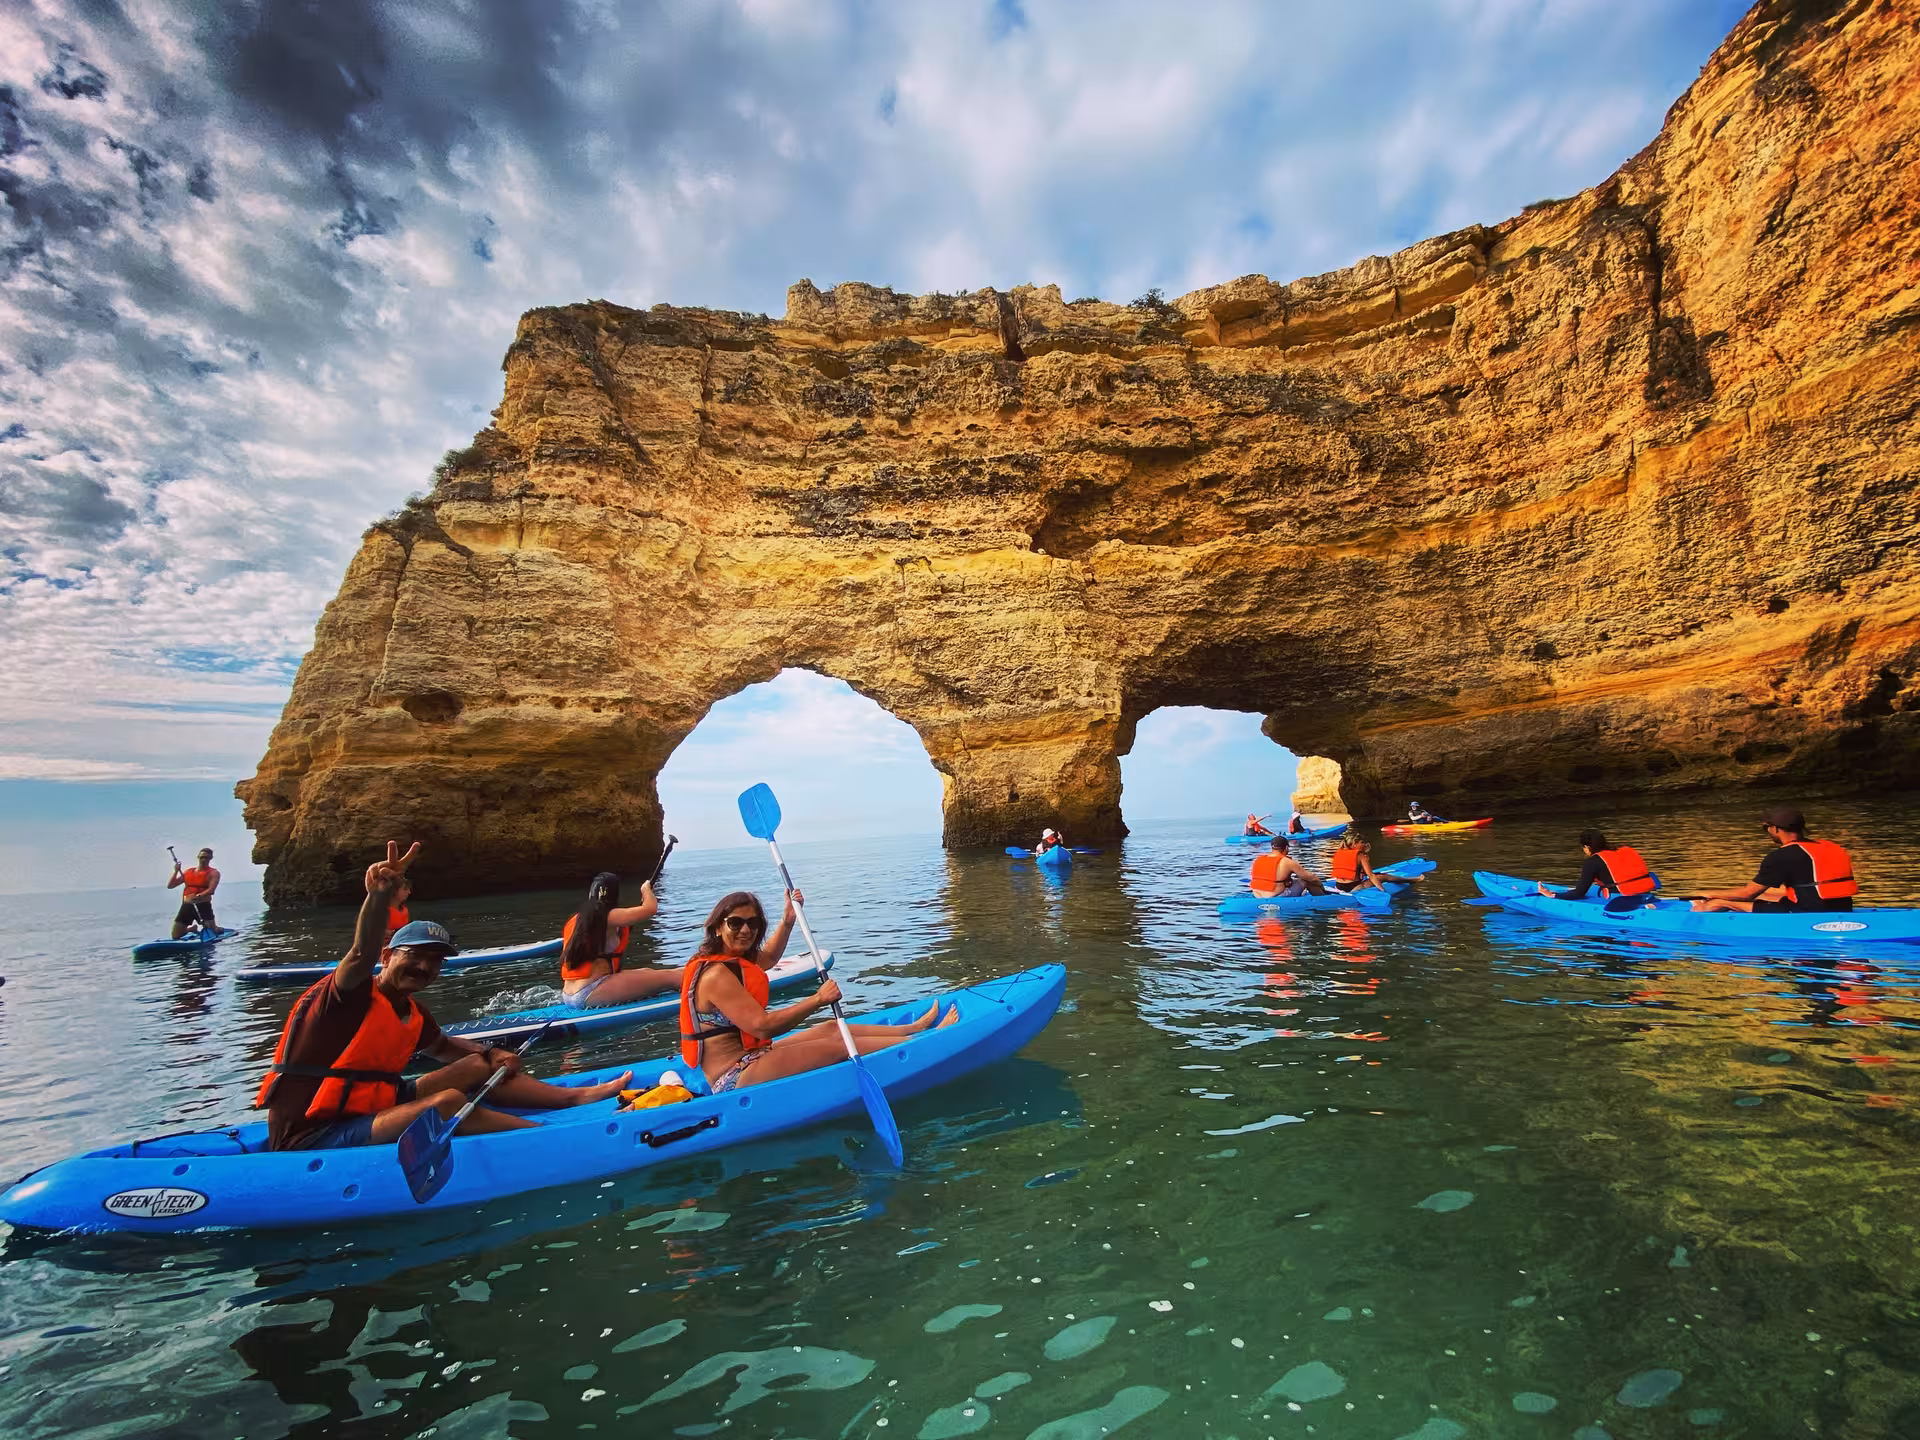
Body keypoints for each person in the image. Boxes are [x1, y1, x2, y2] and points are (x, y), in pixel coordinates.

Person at [255, 841, 630, 1152]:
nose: (424, 968)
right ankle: (539, 1135)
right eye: (414, 956)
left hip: (375, 1105)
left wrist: (491, 1053)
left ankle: (573, 1099)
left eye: (434, 962)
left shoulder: (410, 1011)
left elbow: (445, 1047)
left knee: (482, 1064)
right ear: (387, 957)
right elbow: (359, 954)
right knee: (447, 1102)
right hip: (312, 1134)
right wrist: (378, 897)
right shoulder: (346, 996)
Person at [678, 889, 955, 1092]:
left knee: (830, 1029)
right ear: (717, 927)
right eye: (736, 923)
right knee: (836, 1047)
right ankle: (925, 1044)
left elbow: (770, 958)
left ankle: (915, 1028)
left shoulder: (732, 961)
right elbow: (762, 1027)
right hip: (734, 1076)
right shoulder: (716, 975)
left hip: (752, 1058)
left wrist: (787, 921)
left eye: (753, 923)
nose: (746, 929)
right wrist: (818, 999)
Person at [1692, 807, 1857, 913]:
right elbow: (1807, 887)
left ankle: (1714, 907)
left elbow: (1748, 893)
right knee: (1766, 894)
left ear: (1776, 829)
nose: (1767, 832)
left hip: (1806, 912)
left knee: (1721, 902)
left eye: (1766, 828)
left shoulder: (1781, 855)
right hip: (1842, 907)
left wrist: (1709, 894)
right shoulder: (1827, 846)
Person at [559, 871, 681, 1009]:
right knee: (673, 977)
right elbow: (650, 909)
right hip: (592, 992)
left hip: (568, 994)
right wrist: (646, 889)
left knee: (648, 972)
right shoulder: (608, 915)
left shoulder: (576, 920)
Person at [1537, 831, 1658, 901]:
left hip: (1623, 900)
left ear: (1587, 847)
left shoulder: (1593, 861)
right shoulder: (1625, 851)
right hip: (1646, 894)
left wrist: (1553, 895)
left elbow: (1579, 894)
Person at [1249, 835, 1328, 899]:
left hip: (1257, 894)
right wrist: (1320, 885)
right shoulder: (1287, 862)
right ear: (1286, 848)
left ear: (1272, 847)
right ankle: (1323, 900)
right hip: (1274, 896)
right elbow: (1311, 877)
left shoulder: (1259, 859)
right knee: (1307, 881)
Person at [167, 847, 221, 938]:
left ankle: (217, 928)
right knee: (175, 936)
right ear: (198, 857)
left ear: (210, 858)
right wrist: (176, 871)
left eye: (206, 858)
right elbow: (170, 886)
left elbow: (211, 890)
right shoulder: (188, 872)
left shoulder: (214, 873)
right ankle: (191, 929)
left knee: (213, 932)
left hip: (203, 905)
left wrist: (198, 896)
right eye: (201, 857)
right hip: (187, 906)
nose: (203, 859)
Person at [1329, 830, 1398, 893]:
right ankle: (1407, 880)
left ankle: (1407, 880)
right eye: (1362, 842)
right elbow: (1371, 875)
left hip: (1339, 886)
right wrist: (1382, 890)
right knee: (1382, 876)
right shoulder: (1361, 855)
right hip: (1353, 887)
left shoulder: (1339, 852)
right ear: (1355, 844)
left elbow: (1361, 872)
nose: (1364, 844)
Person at [384, 876, 413, 942]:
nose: (409, 892)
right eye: (405, 889)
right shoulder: (381, 910)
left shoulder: (404, 910)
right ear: (394, 891)